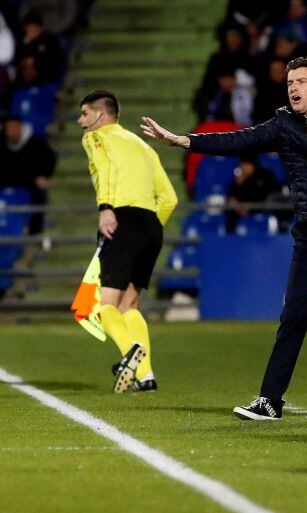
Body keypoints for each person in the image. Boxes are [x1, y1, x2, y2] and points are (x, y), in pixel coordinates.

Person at [141, 56, 307, 421]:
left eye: (302, 81)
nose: (293, 87)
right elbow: (239, 140)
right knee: (292, 318)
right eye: (290, 82)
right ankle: (269, 400)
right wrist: (184, 141)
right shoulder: (283, 124)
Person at [77, 90, 178, 394]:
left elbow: (106, 169)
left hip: (121, 219)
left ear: (101, 114)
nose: (81, 121)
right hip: (151, 225)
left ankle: (130, 352)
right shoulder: (143, 147)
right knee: (129, 304)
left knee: (104, 304)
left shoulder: (96, 138)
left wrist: (105, 207)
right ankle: (145, 376)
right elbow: (170, 198)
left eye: (84, 113)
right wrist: (148, 230)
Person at [0, 115, 55, 234]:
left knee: (39, 195)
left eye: (15, 127)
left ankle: (34, 232)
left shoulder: (35, 143)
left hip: (30, 182)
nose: (12, 131)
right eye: (9, 128)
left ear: (20, 126)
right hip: (6, 182)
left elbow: (50, 157)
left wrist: (44, 175)